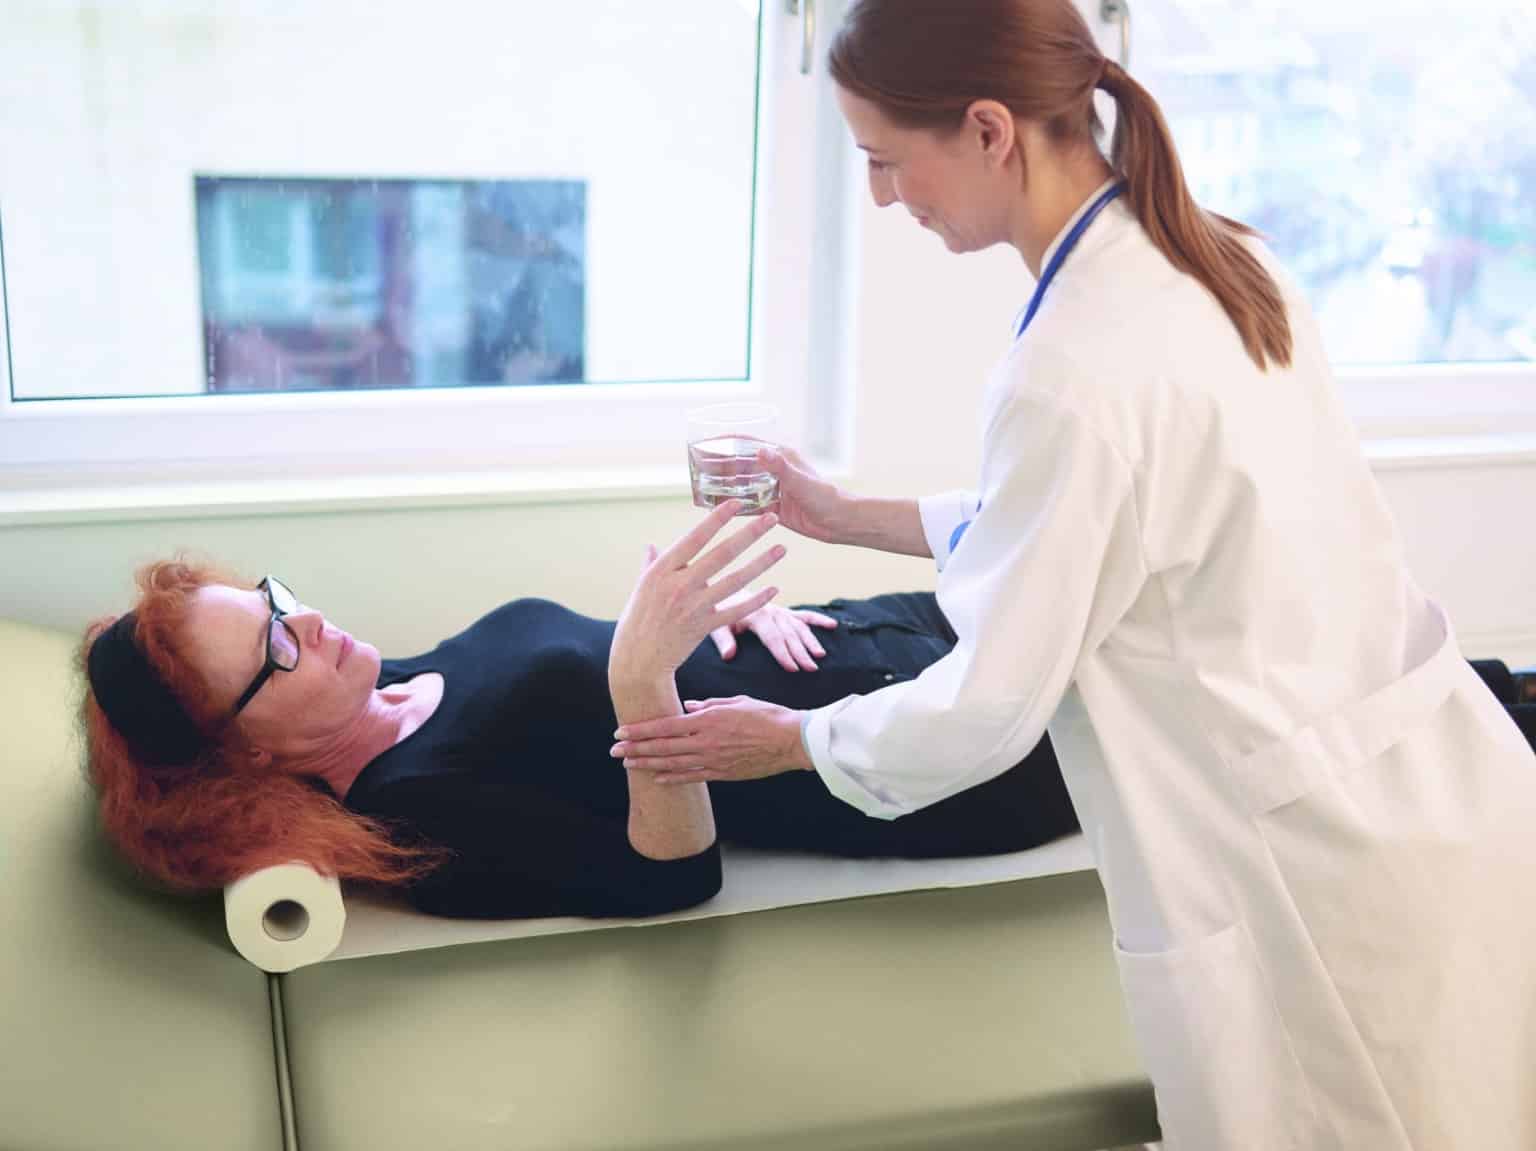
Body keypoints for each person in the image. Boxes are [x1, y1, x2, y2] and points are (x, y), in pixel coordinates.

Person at [608, 2, 1536, 1147]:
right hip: (1433, 794)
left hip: (1315, 874)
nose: (887, 199)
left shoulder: (1073, 366)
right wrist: (840, 513)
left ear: (990, 129)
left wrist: (790, 740)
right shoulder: (1216, 254)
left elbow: (988, 705)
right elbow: (1113, 525)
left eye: (889, 162)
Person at [76, 508, 1077, 921]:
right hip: (920, 761)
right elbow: (672, 876)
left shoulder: (384, 684)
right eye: (275, 647)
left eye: (276, 600)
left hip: (856, 635)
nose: (313, 621)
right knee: (1183, 671)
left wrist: (718, 617)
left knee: (1121, 578)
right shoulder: (415, 809)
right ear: (245, 753)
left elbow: (600, 665)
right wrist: (646, 674)